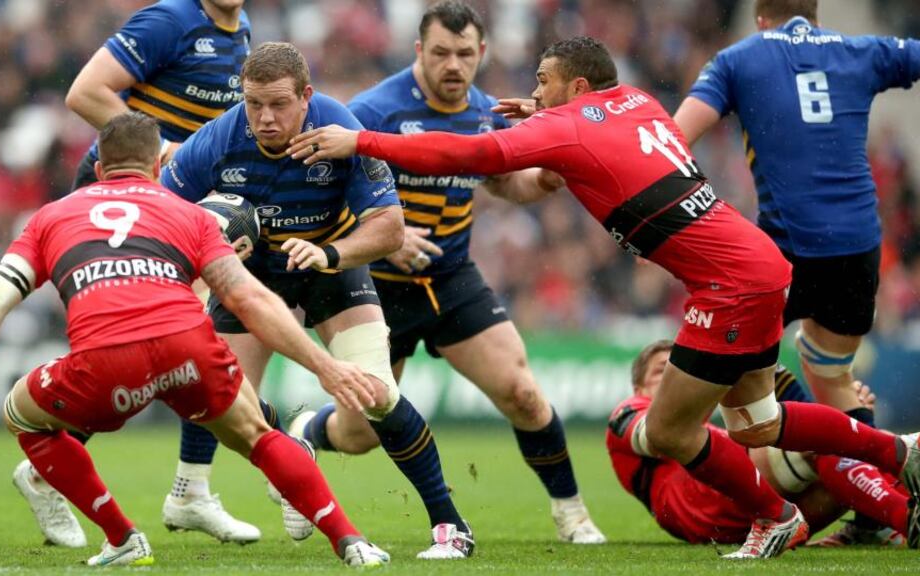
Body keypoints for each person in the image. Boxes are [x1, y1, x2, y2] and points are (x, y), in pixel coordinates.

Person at [286, 36, 920, 558]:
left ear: (578, 88)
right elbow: (595, 145)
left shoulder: (569, 126)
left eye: (542, 80)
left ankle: (774, 516)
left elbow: (474, 152)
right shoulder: (638, 100)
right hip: (758, 262)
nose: (533, 91)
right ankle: (902, 452)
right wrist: (544, 118)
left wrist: (361, 140)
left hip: (729, 285)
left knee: (668, 431)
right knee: (760, 421)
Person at [0, 112, 391, 568]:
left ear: (99, 169)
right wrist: (325, 366)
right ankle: (351, 542)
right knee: (258, 437)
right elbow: (250, 300)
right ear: (159, 167)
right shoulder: (191, 215)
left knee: (20, 414)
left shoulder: (50, 217)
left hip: (104, 362)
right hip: (186, 346)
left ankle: (122, 537)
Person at [289, 0, 604, 545]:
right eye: (440, 53)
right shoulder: (373, 110)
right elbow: (324, 193)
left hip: (452, 278)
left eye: (464, 54)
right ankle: (307, 431)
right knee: (360, 433)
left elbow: (506, 184)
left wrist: (550, 179)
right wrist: (389, 234)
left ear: (483, 52)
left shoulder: (484, 111)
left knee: (523, 393)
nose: (453, 65)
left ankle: (572, 513)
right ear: (418, 51)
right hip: (376, 289)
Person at [161, 41, 475, 559]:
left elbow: (391, 229)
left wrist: (330, 253)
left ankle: (450, 525)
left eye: (279, 104)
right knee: (219, 401)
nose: (264, 118)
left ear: (307, 96)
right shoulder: (215, 141)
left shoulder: (338, 128)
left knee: (375, 393)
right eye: (253, 103)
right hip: (252, 276)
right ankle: (290, 458)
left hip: (330, 268)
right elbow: (163, 215)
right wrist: (197, 270)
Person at [15, 0, 259, 548]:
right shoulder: (169, 20)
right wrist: (170, 155)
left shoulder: (239, 28)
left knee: (198, 341)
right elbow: (85, 93)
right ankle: (45, 466)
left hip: (178, 200)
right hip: (127, 193)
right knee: (147, 345)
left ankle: (191, 489)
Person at [673, 1, 920, 540]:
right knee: (831, 377)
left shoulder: (736, 59)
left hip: (783, 253)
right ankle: (879, 511)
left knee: (742, 390)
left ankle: (770, 507)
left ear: (761, 16)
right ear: (815, 12)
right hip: (857, 246)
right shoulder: (863, 49)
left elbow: (674, 139)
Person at [608, 340, 914, 547]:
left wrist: (853, 423)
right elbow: (659, 435)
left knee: (851, 443)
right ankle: (903, 518)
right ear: (638, 386)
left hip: (755, 511)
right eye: (663, 371)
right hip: (703, 502)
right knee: (834, 444)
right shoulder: (627, 412)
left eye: (679, 371)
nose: (674, 379)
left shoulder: (707, 429)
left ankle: (872, 523)